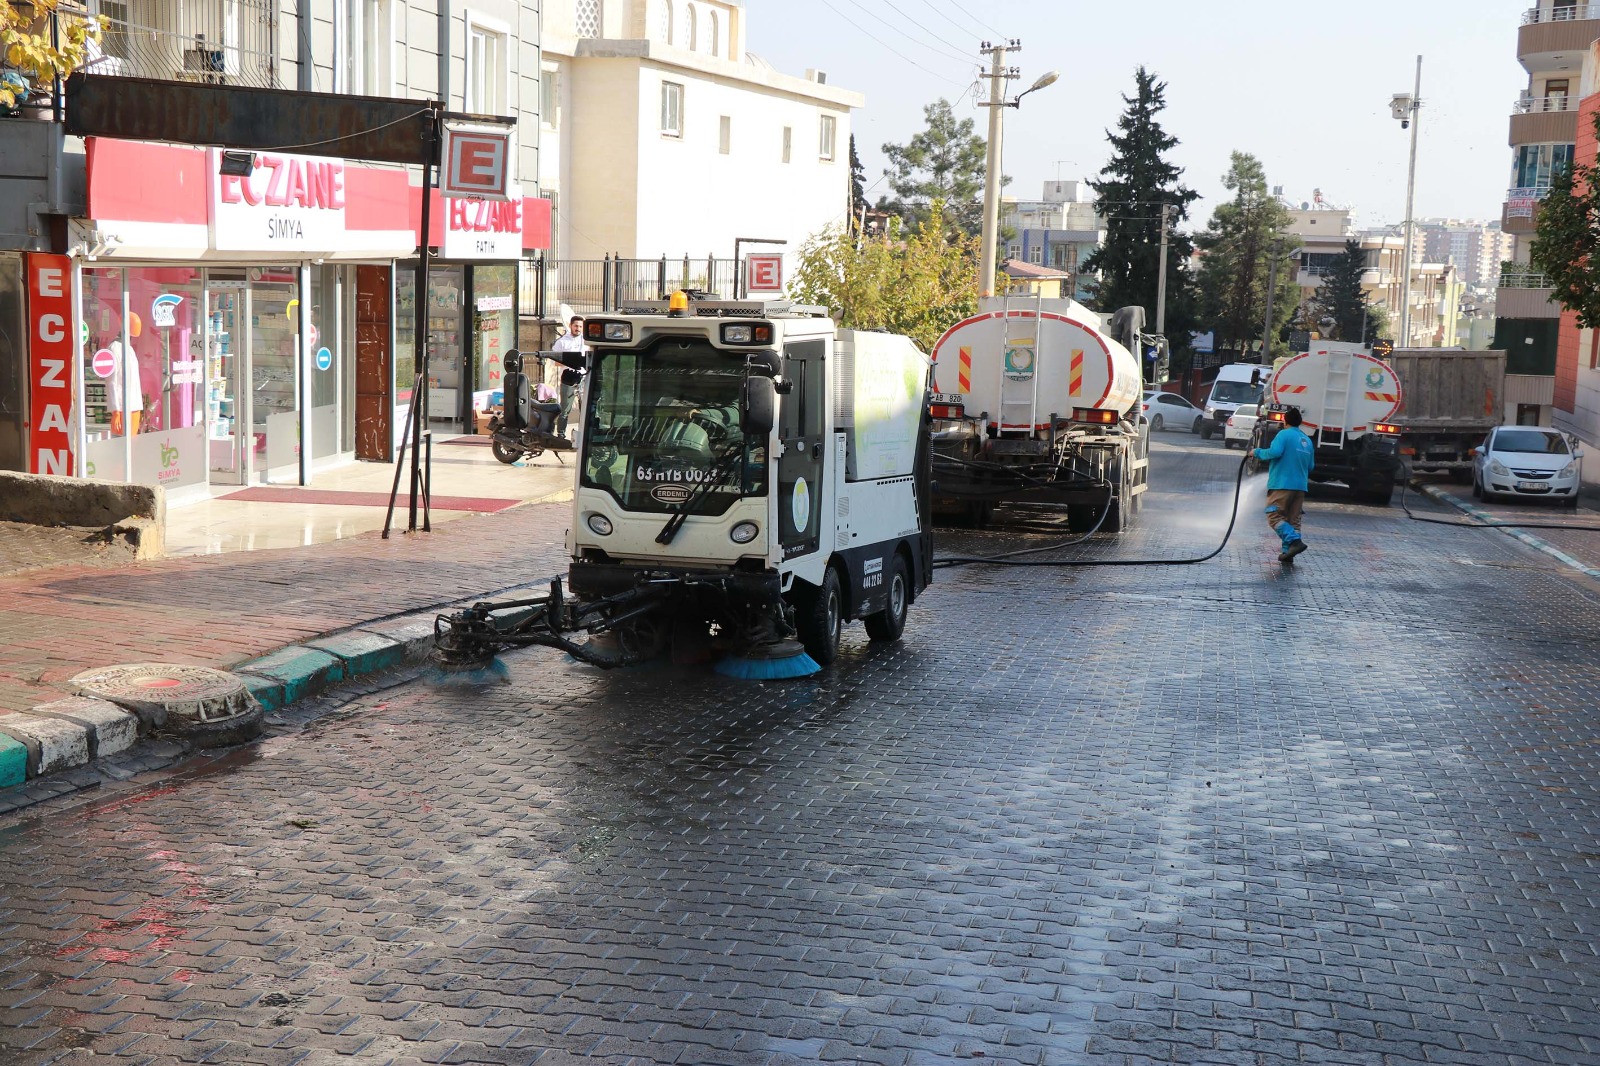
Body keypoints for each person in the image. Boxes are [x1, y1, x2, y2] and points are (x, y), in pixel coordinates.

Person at [1253, 407, 1315, 563]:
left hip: (1282, 484)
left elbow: (1275, 452)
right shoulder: (1307, 440)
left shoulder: (1283, 435)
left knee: (1274, 516)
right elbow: (1311, 467)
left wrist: (1257, 452)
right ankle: (1288, 553)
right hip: (1300, 486)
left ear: (1285, 421)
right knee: (1293, 519)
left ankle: (1294, 542)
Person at [551, 315, 589, 435]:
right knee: (565, 409)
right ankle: (561, 434)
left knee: (586, 409)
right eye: (576, 326)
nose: (578, 328)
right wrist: (569, 361)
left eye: (580, 326)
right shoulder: (562, 342)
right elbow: (554, 361)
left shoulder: (586, 341)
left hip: (584, 377)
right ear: (570, 326)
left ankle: (585, 434)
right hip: (568, 377)